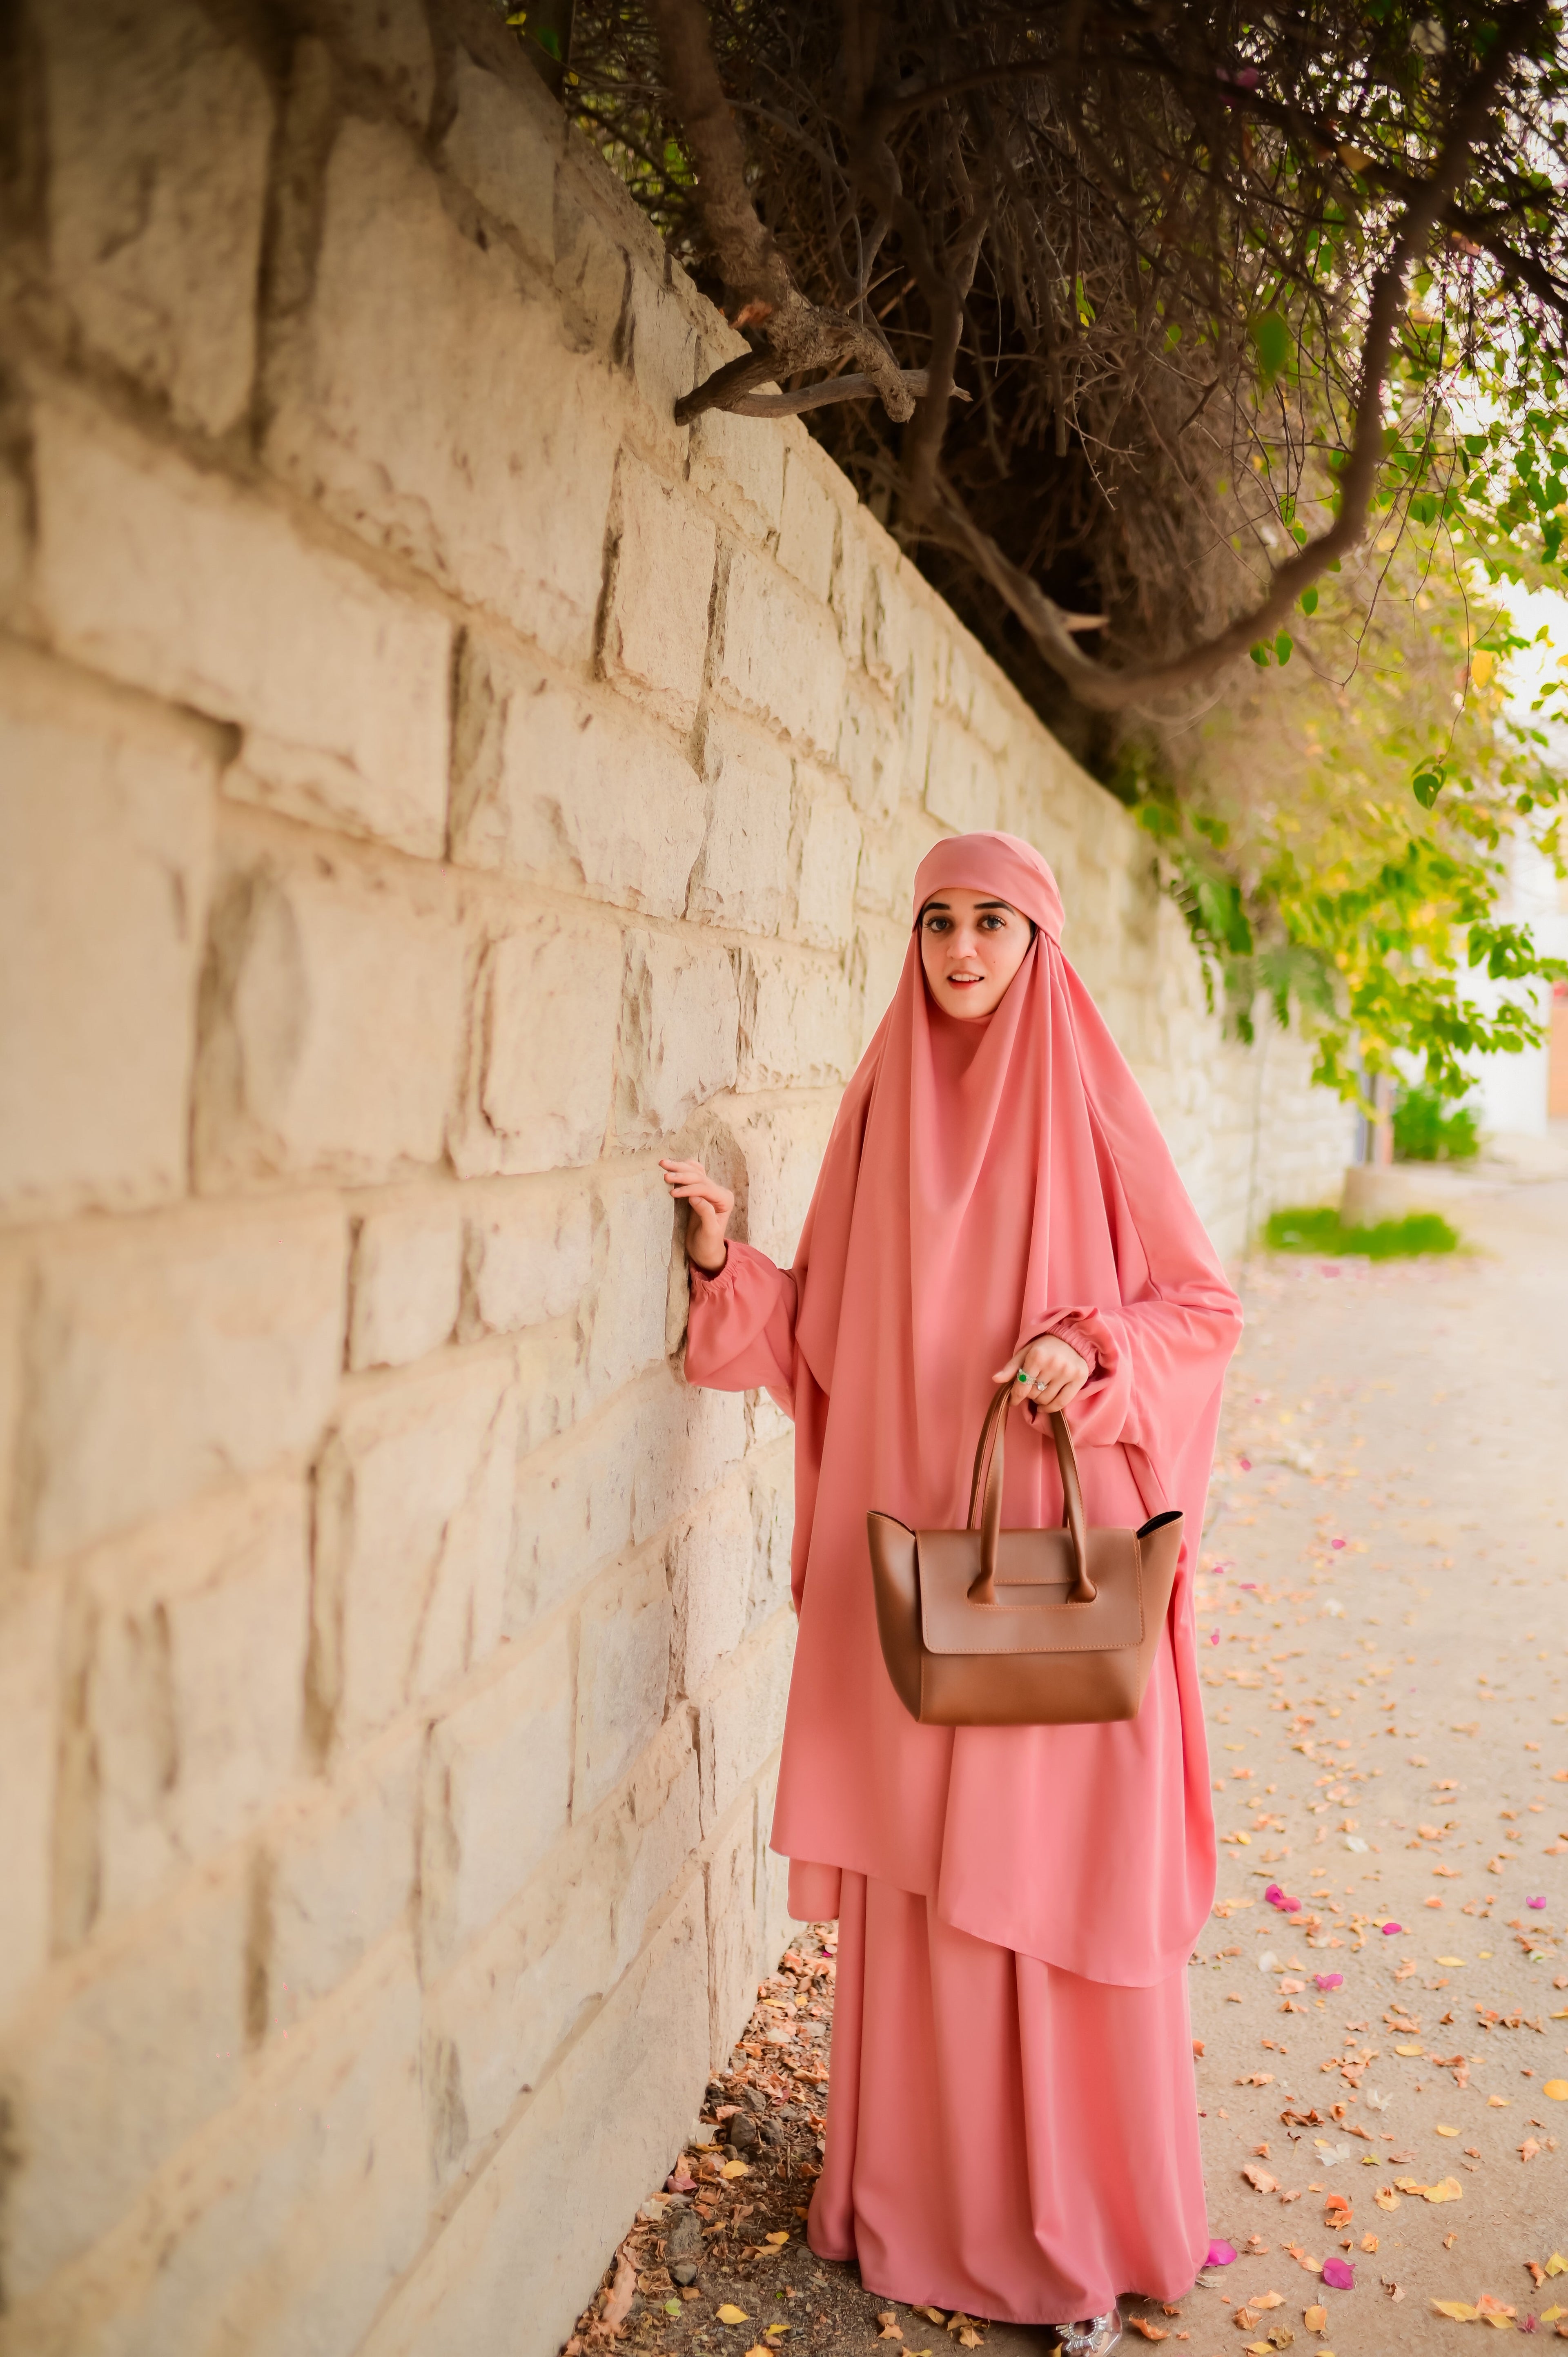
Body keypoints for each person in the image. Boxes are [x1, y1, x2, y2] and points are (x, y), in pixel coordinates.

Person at [660, 832, 1242, 2350]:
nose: (963, 949)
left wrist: (1092, 1348)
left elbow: (1200, 1308)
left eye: (993, 921)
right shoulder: (880, 1109)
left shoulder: (1093, 1101)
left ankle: (1074, 2228)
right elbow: (828, 1346)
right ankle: (922, 2212)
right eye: (938, 920)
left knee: (1052, 1870)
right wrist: (729, 1266)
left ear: (1040, 942)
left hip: (1054, 1570)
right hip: (916, 1581)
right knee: (926, 1873)